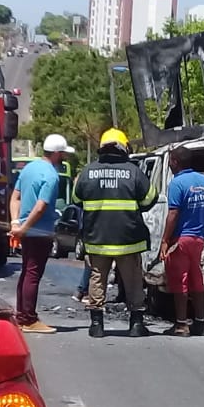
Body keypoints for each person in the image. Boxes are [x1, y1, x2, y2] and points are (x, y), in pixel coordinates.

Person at [74, 128, 157, 338]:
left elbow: (76, 200)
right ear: (123, 147)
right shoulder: (133, 171)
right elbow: (150, 198)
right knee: (133, 281)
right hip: (128, 239)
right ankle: (136, 325)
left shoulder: (87, 172)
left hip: (97, 239)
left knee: (97, 279)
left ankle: (96, 325)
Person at [9, 134, 74, 334]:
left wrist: (16, 223)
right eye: (62, 153)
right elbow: (41, 206)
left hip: (26, 229)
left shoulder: (29, 169)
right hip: (40, 230)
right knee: (33, 273)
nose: (64, 156)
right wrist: (25, 227)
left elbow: (15, 197)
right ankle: (28, 319)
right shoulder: (51, 175)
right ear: (56, 153)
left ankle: (22, 315)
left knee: (27, 271)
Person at [159, 145, 204, 337]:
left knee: (179, 281)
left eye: (171, 161)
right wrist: (201, 231)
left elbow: (173, 214)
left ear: (175, 162)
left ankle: (181, 324)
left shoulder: (177, 183)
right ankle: (200, 323)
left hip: (180, 240)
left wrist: (165, 241)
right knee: (196, 280)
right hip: (198, 239)